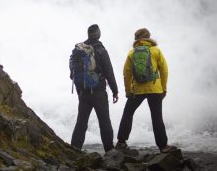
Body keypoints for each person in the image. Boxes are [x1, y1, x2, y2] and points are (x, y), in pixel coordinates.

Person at [116, 28, 176, 153]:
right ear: (148, 38)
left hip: (137, 90)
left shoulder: (132, 53)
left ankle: (121, 142)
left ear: (137, 39)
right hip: (155, 89)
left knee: (128, 113)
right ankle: (163, 146)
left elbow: (126, 73)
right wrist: (164, 89)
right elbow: (164, 71)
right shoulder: (156, 50)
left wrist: (128, 91)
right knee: (157, 117)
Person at [71, 24, 119, 152]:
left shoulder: (79, 49)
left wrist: (80, 89)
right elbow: (109, 72)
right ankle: (109, 151)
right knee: (104, 122)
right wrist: (115, 91)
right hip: (98, 93)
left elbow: (73, 72)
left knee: (81, 123)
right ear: (98, 35)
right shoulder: (101, 50)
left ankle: (74, 150)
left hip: (84, 92)